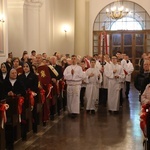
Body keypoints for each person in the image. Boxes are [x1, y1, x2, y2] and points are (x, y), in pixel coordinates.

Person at [19, 62, 39, 135]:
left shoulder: (34, 76)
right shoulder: (20, 76)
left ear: (29, 67)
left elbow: (35, 87)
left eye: (27, 66)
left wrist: (30, 91)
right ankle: (24, 129)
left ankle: (34, 128)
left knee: (33, 112)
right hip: (24, 96)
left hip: (32, 96)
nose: (25, 68)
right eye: (24, 66)